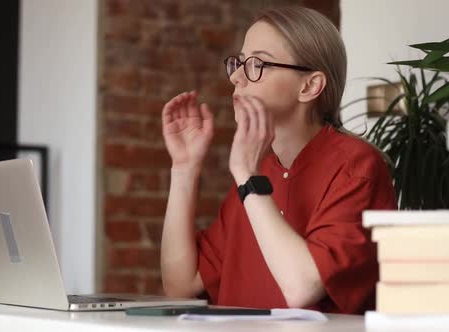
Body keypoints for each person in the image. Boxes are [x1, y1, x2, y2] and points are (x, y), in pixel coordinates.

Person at [159, 6, 397, 314]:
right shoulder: (259, 173)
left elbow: (301, 287)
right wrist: (184, 168)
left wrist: (247, 177)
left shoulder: (355, 166)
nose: (236, 77)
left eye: (256, 63)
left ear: (309, 86)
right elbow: (179, 285)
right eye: (239, 62)